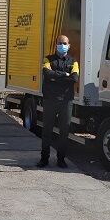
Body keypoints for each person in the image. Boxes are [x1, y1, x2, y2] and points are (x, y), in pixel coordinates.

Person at [38, 35, 79, 168]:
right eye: (60, 43)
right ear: (56, 45)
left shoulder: (74, 62)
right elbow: (47, 74)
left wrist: (55, 77)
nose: (62, 45)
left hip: (66, 101)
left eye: (65, 43)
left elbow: (74, 78)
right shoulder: (47, 59)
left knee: (64, 132)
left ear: (69, 45)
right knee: (47, 131)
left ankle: (61, 160)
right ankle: (44, 159)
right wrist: (65, 75)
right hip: (50, 99)